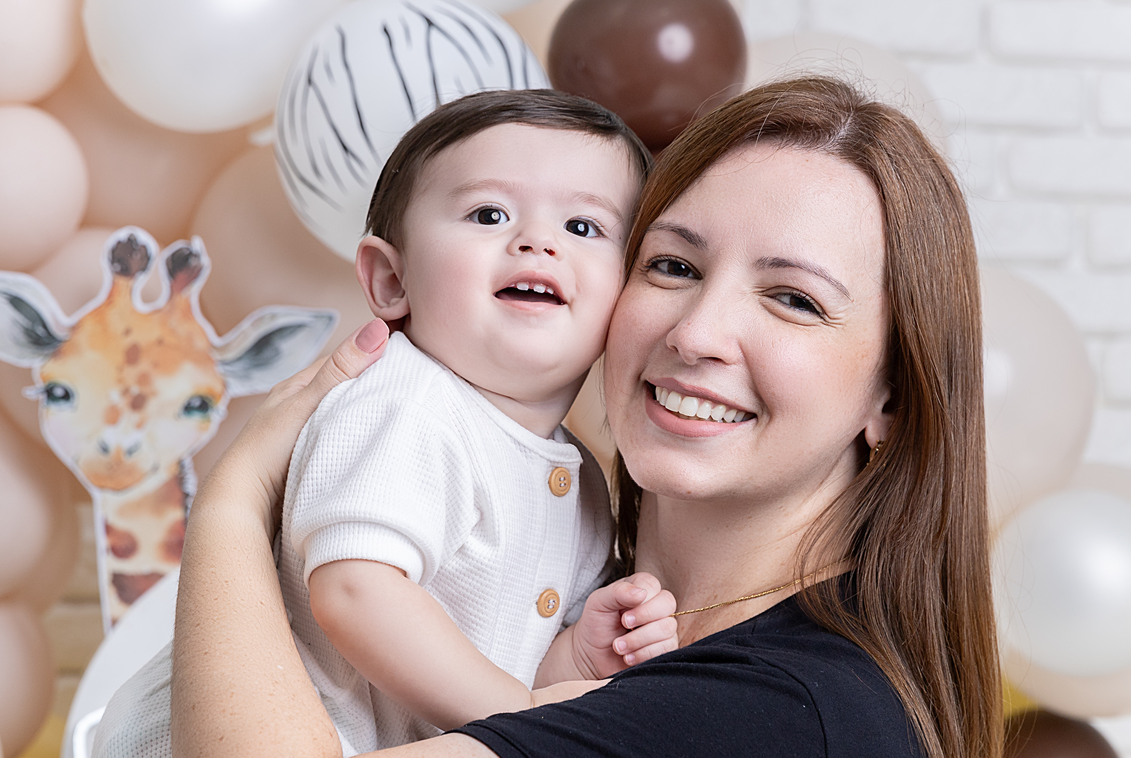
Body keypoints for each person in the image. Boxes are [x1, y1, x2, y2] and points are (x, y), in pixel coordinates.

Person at [167, 76, 1003, 758]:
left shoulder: (789, 709)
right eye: (672, 264)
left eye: (793, 299)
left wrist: (232, 503)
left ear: (892, 394)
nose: (698, 332)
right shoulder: (583, 551)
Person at [93, 90, 681, 758]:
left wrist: (574, 655)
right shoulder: (405, 404)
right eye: (489, 213)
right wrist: (519, 717)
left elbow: (491, 673)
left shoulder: (580, 485)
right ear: (391, 280)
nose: (537, 242)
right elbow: (355, 591)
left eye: (583, 228)